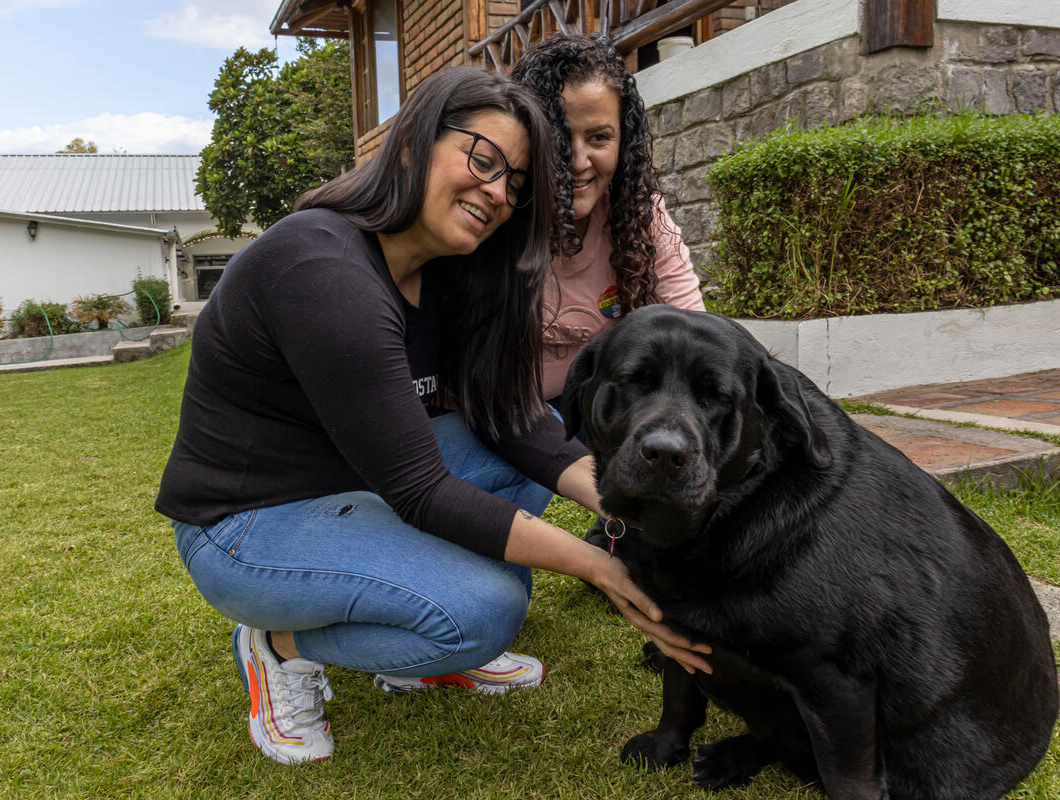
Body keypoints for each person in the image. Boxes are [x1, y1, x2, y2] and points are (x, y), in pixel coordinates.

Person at [156, 66, 710, 766]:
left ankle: (412, 646)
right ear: (415, 143)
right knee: (486, 611)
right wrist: (603, 565)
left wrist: (630, 508)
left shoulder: (451, 269)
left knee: (510, 489)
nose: (497, 192)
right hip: (244, 526)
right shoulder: (320, 267)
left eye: (514, 182)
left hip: (351, 489)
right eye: (482, 159)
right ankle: (279, 646)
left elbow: (512, 419)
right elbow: (420, 489)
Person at [510, 34, 705, 407]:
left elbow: (693, 332)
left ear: (623, 142)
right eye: (559, 138)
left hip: (596, 412)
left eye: (599, 138)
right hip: (501, 419)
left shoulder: (640, 214)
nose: (578, 162)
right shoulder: (498, 214)